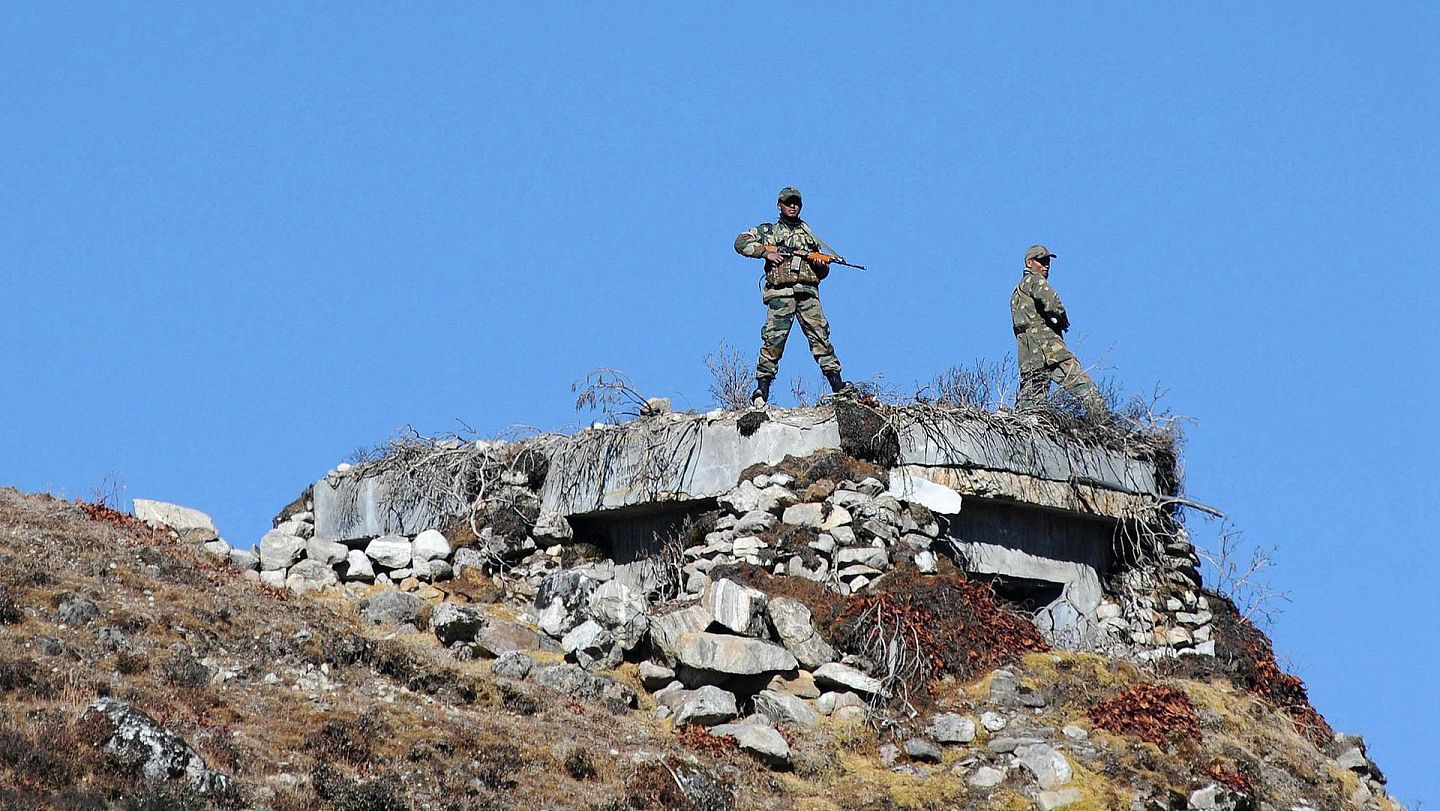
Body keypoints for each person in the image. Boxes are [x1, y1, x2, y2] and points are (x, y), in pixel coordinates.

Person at [733, 187, 851, 406]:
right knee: (773, 340)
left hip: (807, 294)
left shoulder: (809, 235)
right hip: (781, 293)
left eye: (796, 202)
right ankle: (762, 388)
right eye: (788, 203)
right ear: (780, 205)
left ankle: (837, 385)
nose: (793, 206)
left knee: (821, 338)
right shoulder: (768, 231)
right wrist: (766, 252)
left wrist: (820, 265)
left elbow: (822, 273)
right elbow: (740, 242)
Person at [1010, 244, 1108, 413]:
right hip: (1047, 345)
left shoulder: (1016, 293)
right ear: (1029, 263)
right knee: (1078, 381)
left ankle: (1027, 429)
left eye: (1047, 261)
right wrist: (1062, 321)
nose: (1046, 265)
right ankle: (1102, 418)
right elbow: (1052, 301)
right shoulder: (1034, 280)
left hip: (1028, 351)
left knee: (1032, 394)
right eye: (1041, 261)